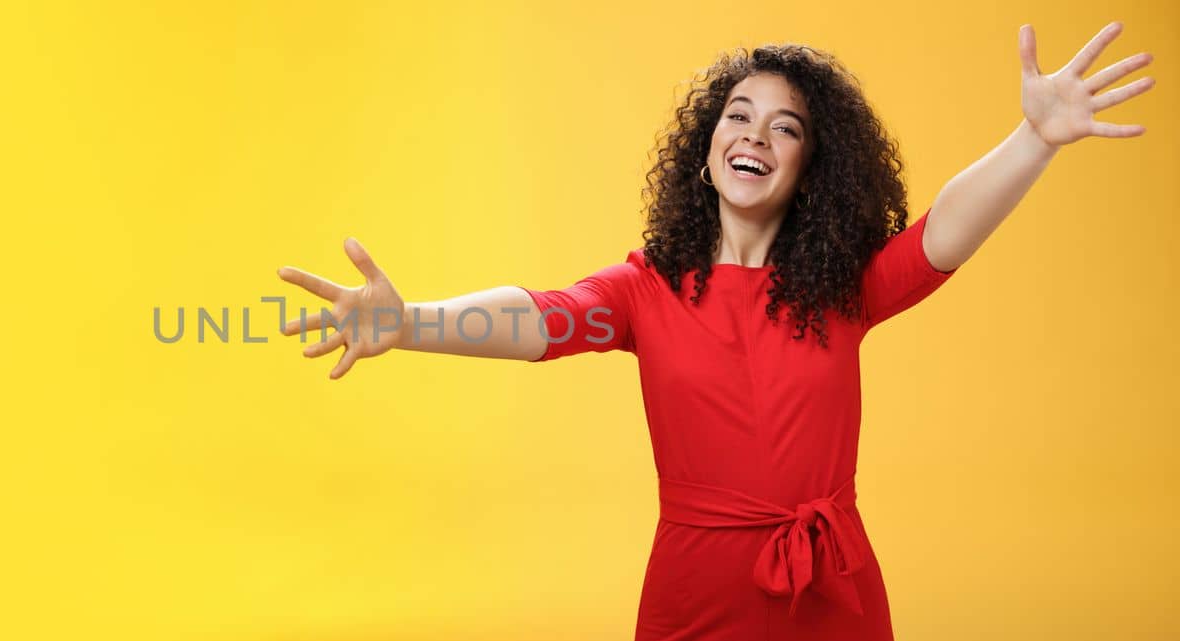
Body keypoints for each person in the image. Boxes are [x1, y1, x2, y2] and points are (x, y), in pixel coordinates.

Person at [276, 23, 1152, 641]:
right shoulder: (644, 290)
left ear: (810, 168)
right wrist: (410, 322)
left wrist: (1034, 140)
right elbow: (537, 316)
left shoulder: (842, 291)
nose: (755, 135)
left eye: (786, 127)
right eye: (737, 114)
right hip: (694, 598)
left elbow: (941, 233)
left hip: (834, 593)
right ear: (706, 148)